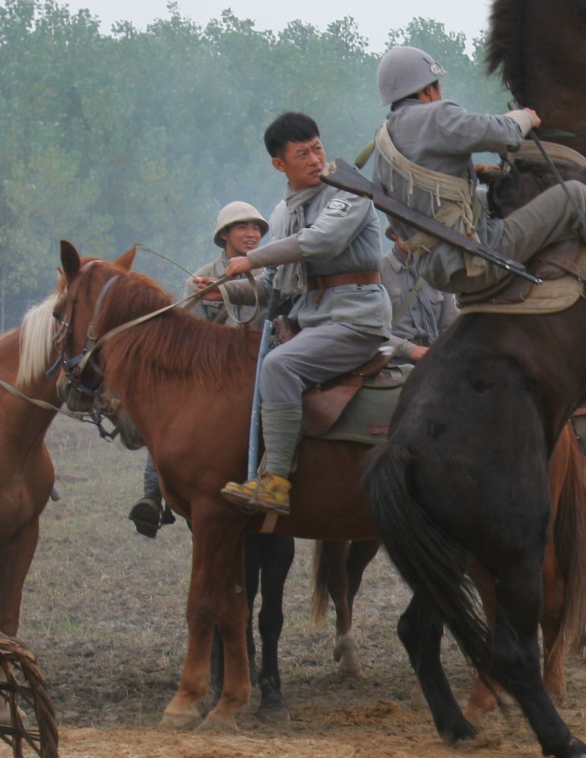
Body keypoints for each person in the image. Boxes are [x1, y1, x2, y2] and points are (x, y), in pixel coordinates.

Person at [368, 46, 586, 302]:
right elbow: (500, 133)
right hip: (476, 257)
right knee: (577, 197)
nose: (439, 93)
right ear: (426, 91)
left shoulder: (383, 143)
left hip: (436, 270)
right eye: (436, 86)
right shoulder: (434, 116)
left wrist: (473, 175)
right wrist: (523, 117)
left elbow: (420, 202)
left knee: (490, 196)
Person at [219, 113, 391, 516]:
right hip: (311, 321)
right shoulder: (280, 213)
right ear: (280, 164)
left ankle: (276, 479)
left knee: (278, 366)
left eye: (317, 148)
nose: (315, 159)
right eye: (302, 154)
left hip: (354, 319)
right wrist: (224, 288)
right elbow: (275, 286)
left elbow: (321, 240)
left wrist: (252, 258)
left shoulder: (350, 192)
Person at [128, 201, 269, 537]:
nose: (251, 235)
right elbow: (190, 336)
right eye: (242, 228)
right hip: (212, 376)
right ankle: (153, 496)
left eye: (256, 229)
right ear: (224, 235)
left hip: (259, 369)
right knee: (172, 426)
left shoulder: (269, 275)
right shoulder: (201, 279)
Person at [380, 231, 456, 364]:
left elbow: (450, 326)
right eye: (407, 230)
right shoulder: (378, 272)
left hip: (434, 358)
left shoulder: (437, 272)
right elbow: (368, 332)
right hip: (392, 361)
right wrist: (409, 350)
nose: (414, 238)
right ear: (394, 234)